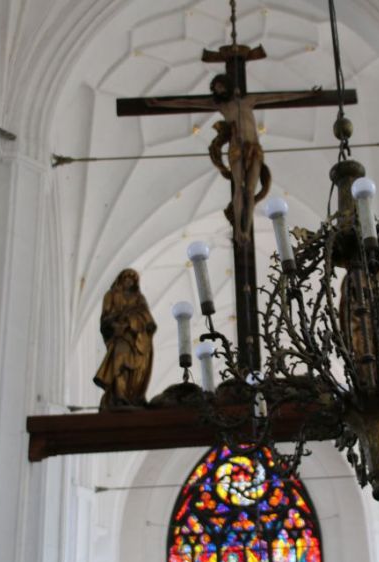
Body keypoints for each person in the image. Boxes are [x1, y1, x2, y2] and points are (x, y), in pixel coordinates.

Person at [149, 73, 319, 244]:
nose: (219, 91)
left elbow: (279, 97)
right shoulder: (221, 105)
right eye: (216, 89)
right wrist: (160, 103)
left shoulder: (249, 100)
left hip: (254, 148)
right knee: (239, 187)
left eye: (221, 86)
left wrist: (308, 94)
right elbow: (188, 103)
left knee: (250, 190)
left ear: (227, 85)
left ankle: (246, 229)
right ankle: (238, 229)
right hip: (236, 148)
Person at [93, 269, 157, 409]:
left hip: (137, 338)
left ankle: (133, 396)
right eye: (126, 278)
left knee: (138, 369)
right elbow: (106, 319)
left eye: (132, 279)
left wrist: (131, 320)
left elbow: (147, 320)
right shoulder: (111, 295)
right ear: (120, 279)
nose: (129, 281)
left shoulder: (139, 298)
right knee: (120, 360)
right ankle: (119, 396)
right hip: (120, 336)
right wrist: (117, 322)